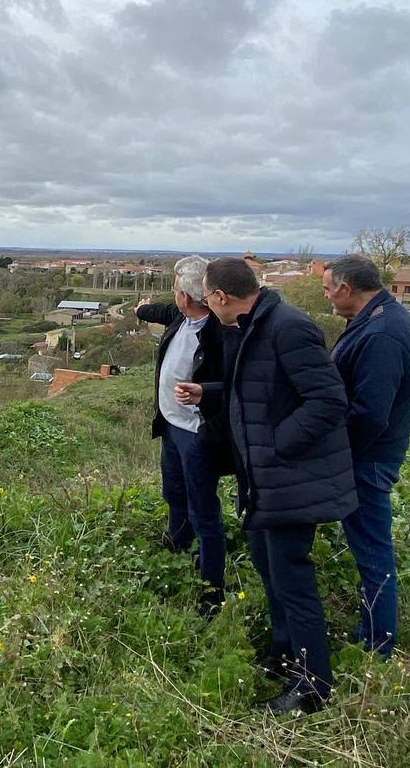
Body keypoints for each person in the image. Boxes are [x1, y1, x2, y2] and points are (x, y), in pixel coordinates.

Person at [176, 257, 355, 714]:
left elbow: (329, 400)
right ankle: (283, 652)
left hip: (288, 478)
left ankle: (313, 686)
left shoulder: (288, 327)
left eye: (208, 297)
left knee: (291, 577)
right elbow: (255, 390)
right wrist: (209, 392)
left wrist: (277, 444)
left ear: (219, 296)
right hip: (263, 480)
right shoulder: (253, 325)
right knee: (265, 563)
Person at [323, 254, 410, 657]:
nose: (327, 296)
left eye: (329, 288)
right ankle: (372, 630)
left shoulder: (382, 333)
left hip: (366, 460)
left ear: (346, 288)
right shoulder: (379, 319)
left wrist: (336, 454)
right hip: (367, 457)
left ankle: (377, 644)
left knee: (372, 551)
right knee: (370, 548)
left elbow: (369, 415)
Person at [135, 255, 232, 616]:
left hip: (198, 435)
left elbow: (234, 384)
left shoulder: (221, 333)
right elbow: (161, 311)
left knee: (204, 511)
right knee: (174, 494)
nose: (173, 295)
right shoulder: (181, 317)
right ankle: (178, 556)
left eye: (176, 289)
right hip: (172, 429)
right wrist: (141, 311)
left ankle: (211, 591)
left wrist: (206, 392)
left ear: (188, 297)